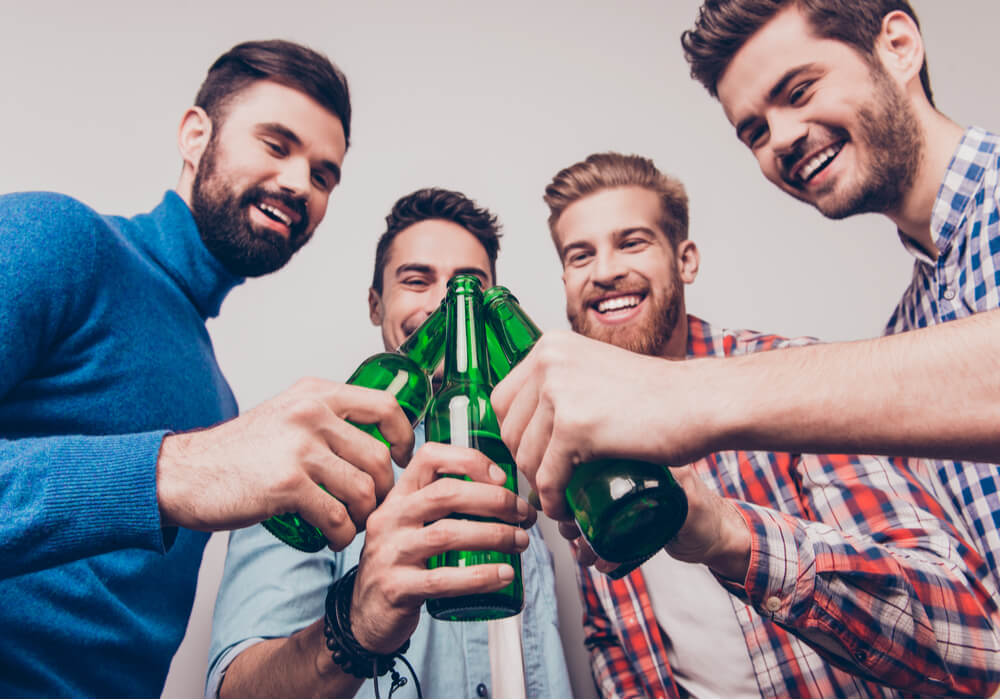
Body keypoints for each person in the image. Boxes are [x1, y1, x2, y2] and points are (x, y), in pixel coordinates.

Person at [0, 40, 424, 697]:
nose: (299, 184)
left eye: (323, 174)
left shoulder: (220, 402)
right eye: (276, 144)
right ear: (195, 135)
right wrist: (181, 471)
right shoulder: (58, 236)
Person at [492, 152, 1000, 696]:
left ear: (685, 260)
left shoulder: (790, 380)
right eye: (580, 255)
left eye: (632, 242)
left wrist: (727, 533)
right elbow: (609, 637)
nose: (605, 271)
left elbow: (971, 642)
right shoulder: (571, 438)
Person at [679, 0, 1000, 600]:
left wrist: (685, 394)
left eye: (799, 91)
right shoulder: (906, 336)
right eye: (754, 131)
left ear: (898, 47)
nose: (781, 139)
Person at [207, 188, 573, 699]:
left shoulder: (528, 453)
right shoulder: (307, 453)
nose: (447, 303)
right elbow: (232, 692)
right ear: (376, 303)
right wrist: (354, 626)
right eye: (417, 280)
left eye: (467, 286)